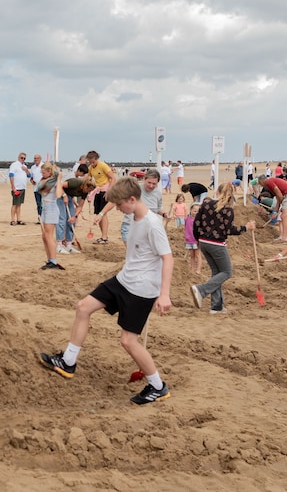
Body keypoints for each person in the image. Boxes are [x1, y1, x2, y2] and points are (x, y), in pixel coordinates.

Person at [37, 177, 174, 405]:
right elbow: (114, 202)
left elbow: (168, 258)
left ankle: (158, 386)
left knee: (128, 341)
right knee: (83, 307)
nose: (119, 209)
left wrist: (164, 294)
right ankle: (68, 361)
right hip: (123, 279)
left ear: (132, 200)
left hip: (141, 290)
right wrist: (101, 213)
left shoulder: (152, 224)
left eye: (120, 205)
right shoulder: (133, 214)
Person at [189, 182, 256, 315]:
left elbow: (196, 223)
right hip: (216, 244)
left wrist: (197, 240)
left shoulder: (206, 204)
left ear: (217, 192)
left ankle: (217, 306)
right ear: (231, 195)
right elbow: (229, 230)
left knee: (216, 272)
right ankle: (201, 290)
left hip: (203, 242)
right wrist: (246, 227)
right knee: (227, 272)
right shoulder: (227, 210)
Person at [58, 170, 95, 254]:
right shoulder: (75, 182)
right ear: (85, 186)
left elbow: (80, 206)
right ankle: (59, 245)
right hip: (60, 195)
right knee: (62, 219)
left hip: (70, 197)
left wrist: (75, 216)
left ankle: (68, 244)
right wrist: (64, 196)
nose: (89, 192)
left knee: (72, 222)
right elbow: (59, 185)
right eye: (88, 190)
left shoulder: (85, 192)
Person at [85, 151, 118, 244]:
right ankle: (103, 236)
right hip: (97, 191)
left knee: (103, 214)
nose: (91, 164)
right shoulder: (90, 168)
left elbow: (113, 178)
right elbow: (88, 179)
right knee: (98, 215)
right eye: (90, 162)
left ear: (96, 159)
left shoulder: (103, 165)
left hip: (105, 191)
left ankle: (104, 237)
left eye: (93, 162)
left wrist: (109, 191)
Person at [37, 163, 64, 270]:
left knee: (48, 235)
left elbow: (58, 195)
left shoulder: (55, 181)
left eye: (44, 172)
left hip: (52, 207)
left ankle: (53, 261)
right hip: (44, 207)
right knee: (44, 236)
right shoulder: (45, 181)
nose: (42, 174)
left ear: (49, 172)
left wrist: (59, 180)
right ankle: (49, 259)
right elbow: (39, 188)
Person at [262, 176, 287, 243]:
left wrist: (282, 205)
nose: (261, 185)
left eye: (260, 183)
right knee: (282, 216)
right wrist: (275, 212)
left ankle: (285, 237)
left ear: (261, 181)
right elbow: (278, 198)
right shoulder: (270, 185)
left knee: (284, 216)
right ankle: (283, 236)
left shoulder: (269, 182)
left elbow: (279, 194)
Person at [8, 152, 30, 225]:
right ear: (18, 157)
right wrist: (13, 187)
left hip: (23, 187)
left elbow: (29, 176)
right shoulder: (14, 165)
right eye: (21, 158)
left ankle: (19, 219)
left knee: (19, 204)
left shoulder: (24, 166)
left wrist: (26, 170)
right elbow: (11, 175)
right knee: (15, 204)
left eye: (24, 158)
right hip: (16, 187)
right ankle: (12, 220)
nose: (23, 159)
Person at [183, 202, 201, 274]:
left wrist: (199, 239)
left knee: (198, 255)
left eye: (197, 211)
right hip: (189, 240)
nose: (196, 212)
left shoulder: (199, 221)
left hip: (196, 240)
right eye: (194, 211)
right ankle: (192, 269)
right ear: (190, 210)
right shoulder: (187, 219)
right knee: (192, 255)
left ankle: (198, 269)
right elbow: (186, 228)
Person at [29, 154, 44, 223]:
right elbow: (31, 177)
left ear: (40, 159)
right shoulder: (33, 167)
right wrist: (32, 181)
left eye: (37, 158)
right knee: (38, 204)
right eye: (35, 158)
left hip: (43, 188)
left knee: (44, 204)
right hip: (36, 188)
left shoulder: (43, 166)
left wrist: (41, 181)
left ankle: (44, 218)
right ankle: (40, 218)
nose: (36, 159)